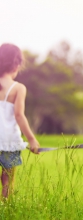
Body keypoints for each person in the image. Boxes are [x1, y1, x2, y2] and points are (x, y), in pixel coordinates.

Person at [0, 43, 40, 200]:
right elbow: (19, 115)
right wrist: (31, 139)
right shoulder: (18, 88)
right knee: (8, 180)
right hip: (9, 142)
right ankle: (5, 207)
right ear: (16, 64)